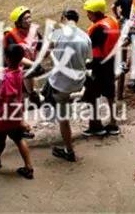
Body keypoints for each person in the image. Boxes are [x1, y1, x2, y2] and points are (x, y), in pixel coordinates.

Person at [46, 9, 93, 162]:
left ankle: (69, 150)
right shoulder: (86, 36)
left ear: (64, 18)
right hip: (78, 83)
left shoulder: (58, 34)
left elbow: (45, 53)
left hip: (61, 85)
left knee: (63, 118)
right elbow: (88, 59)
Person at [0, 44, 34, 179]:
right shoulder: (18, 71)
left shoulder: (8, 79)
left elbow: (9, 96)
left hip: (4, 117)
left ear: (6, 58)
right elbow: (5, 69)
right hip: (15, 115)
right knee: (19, 139)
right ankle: (29, 167)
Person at [82, 0, 121, 137]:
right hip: (111, 61)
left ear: (96, 13)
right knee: (110, 95)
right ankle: (113, 123)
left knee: (91, 95)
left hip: (100, 65)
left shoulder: (98, 29)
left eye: (89, 12)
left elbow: (92, 49)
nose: (87, 15)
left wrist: (86, 64)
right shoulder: (112, 21)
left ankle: (96, 125)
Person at [4, 6, 43, 107]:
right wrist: (34, 64)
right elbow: (15, 57)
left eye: (29, 17)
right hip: (18, 69)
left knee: (33, 89)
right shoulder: (11, 36)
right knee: (22, 97)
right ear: (18, 22)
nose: (29, 20)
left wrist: (38, 61)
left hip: (32, 66)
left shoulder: (34, 31)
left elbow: (40, 47)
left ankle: (33, 97)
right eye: (26, 18)